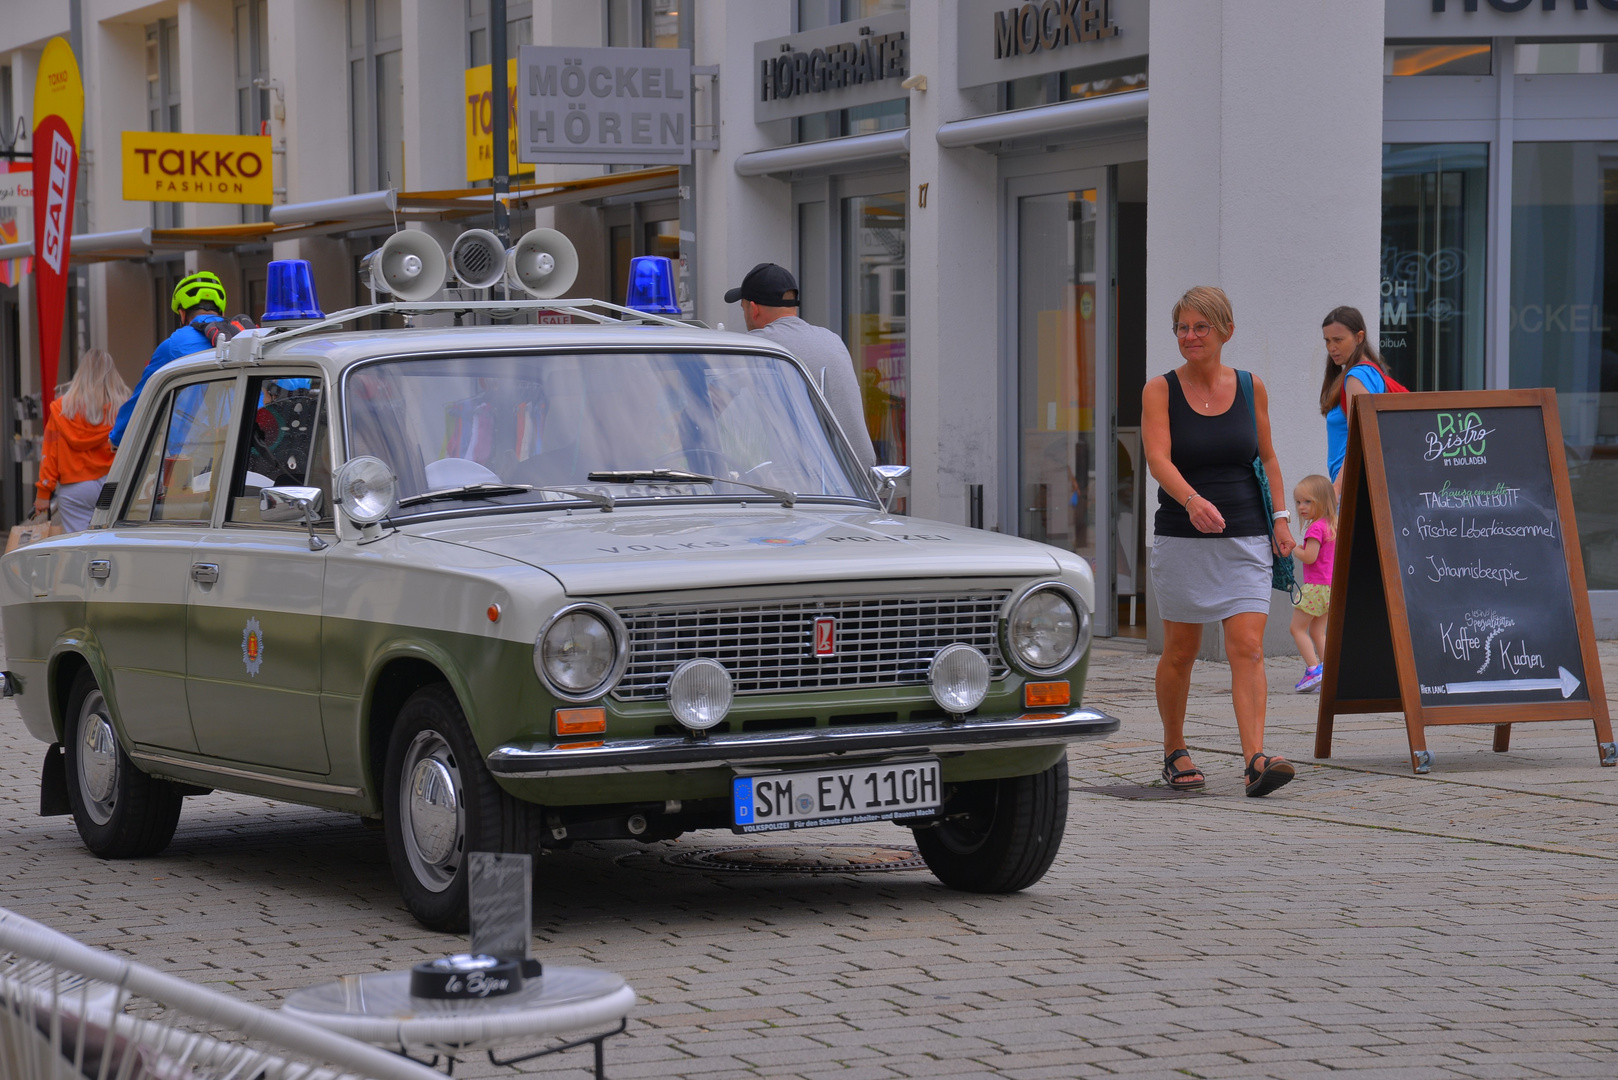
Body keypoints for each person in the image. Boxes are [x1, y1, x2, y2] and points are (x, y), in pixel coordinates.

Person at [1142, 286, 1297, 797]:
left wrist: (1280, 517)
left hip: (1246, 535)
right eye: (1182, 328)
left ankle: (1255, 758)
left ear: (1225, 331)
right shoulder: (1159, 390)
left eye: (1200, 327)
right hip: (1183, 536)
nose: (1189, 336)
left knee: (1247, 646)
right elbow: (1158, 460)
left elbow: (1268, 458)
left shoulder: (1252, 388)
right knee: (1181, 650)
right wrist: (1191, 500)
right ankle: (1174, 748)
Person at [724, 262, 878, 472]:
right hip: (855, 486)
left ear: (753, 308)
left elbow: (712, 402)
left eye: (743, 308)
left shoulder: (757, 347)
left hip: (798, 490)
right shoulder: (832, 340)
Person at [110, 271, 228, 448]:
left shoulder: (173, 345)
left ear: (182, 313)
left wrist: (118, 437)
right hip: (243, 449)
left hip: (191, 452)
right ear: (221, 311)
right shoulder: (244, 336)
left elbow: (142, 399)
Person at [33, 348, 130, 533]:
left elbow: (50, 454)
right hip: (114, 483)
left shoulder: (62, 409)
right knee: (113, 540)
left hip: (74, 489)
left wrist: (43, 494)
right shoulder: (123, 408)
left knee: (79, 548)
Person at [1320, 305, 1393, 496]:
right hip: (1361, 482)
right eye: (1327, 341)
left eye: (1338, 340)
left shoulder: (1356, 376)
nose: (1331, 347)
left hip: (1354, 486)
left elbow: (1360, 435)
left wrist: (1337, 487)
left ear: (1359, 337)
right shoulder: (1374, 372)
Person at [1288, 474, 1338, 693]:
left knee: (1296, 628)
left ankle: (1313, 670)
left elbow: (1309, 557)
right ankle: (1331, 671)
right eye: (1298, 502)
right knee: (1318, 631)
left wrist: (1292, 548)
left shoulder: (1315, 528)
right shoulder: (1331, 525)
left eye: (1307, 501)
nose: (1301, 507)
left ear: (1323, 501)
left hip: (1315, 587)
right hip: (1330, 588)